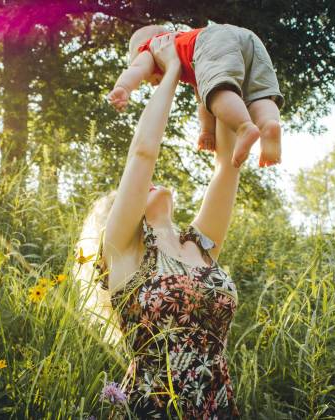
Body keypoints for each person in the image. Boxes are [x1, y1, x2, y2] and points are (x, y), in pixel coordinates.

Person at [98, 34, 240, 418]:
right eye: (140, 187)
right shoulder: (125, 247)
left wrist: (211, 73)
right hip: (154, 408)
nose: (151, 180)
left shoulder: (201, 244)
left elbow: (228, 165)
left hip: (216, 405)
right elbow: (143, 153)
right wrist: (172, 72)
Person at [107, 23, 284, 169]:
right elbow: (203, 101)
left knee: (218, 92)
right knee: (259, 94)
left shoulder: (152, 48)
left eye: (148, 80)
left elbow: (137, 69)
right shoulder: (190, 54)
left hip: (212, 39)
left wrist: (123, 87)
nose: (152, 83)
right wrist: (207, 131)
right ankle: (268, 124)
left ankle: (244, 127)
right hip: (248, 38)